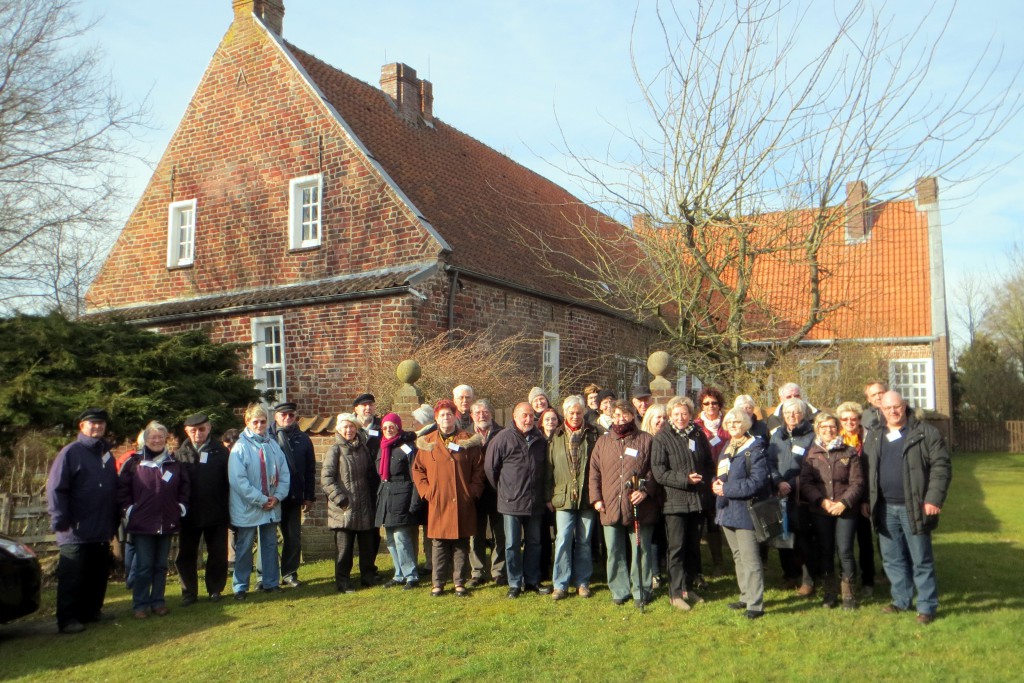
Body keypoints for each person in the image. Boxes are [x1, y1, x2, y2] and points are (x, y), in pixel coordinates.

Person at [863, 391, 951, 625]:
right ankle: (901, 600)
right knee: (892, 559)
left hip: (915, 506)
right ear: (881, 409)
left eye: (897, 407)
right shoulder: (874, 434)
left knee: (920, 558)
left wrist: (933, 498)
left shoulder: (925, 432)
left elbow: (941, 467)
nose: (893, 411)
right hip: (884, 507)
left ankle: (926, 606)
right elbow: (867, 470)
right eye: (888, 407)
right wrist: (866, 500)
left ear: (905, 406)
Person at [46, 408, 120, 634]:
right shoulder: (71, 452)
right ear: (82, 426)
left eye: (101, 423)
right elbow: (56, 488)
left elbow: (112, 488)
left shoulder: (106, 454)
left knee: (97, 573)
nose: (97, 427)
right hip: (75, 528)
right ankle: (67, 619)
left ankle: (91, 611)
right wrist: (60, 519)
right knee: (72, 575)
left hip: (100, 526)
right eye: (92, 423)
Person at [589, 400, 659, 608]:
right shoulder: (603, 442)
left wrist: (645, 491)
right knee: (614, 550)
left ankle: (641, 589)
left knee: (641, 549)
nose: (620, 419)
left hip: (639, 506)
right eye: (616, 415)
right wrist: (596, 498)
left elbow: (655, 470)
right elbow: (594, 472)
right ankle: (619, 589)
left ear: (632, 416)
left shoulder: (646, 440)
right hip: (610, 504)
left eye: (625, 415)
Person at [414, 400, 485, 597]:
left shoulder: (468, 440)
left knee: (462, 543)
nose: (446, 418)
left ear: (455, 417)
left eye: (449, 414)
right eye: (442, 415)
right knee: (439, 545)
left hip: (462, 501)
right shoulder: (427, 442)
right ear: (436, 418)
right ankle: (438, 583)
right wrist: (427, 492)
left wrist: (472, 492)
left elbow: (479, 470)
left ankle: (459, 583)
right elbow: (418, 470)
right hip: (439, 501)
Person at [118, 421, 189, 619]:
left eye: (160, 437)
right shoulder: (134, 463)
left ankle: (158, 601)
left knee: (160, 566)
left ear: (166, 439)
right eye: (152, 437)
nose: (156, 440)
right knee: (143, 566)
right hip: (142, 525)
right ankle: (140, 604)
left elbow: (184, 489)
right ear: (145, 440)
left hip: (167, 523)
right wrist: (130, 510)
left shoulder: (174, 464)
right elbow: (122, 491)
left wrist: (181, 507)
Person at [651, 397, 714, 611]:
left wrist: (704, 479)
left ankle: (689, 588)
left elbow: (708, 463)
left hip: (696, 500)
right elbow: (659, 472)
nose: (681, 418)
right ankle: (675, 593)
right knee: (676, 548)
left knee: (692, 547)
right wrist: (685, 479)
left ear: (690, 414)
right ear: (670, 416)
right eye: (676, 414)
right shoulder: (662, 438)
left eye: (684, 413)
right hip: (674, 502)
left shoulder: (698, 434)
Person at [486, 401, 552, 598]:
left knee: (534, 543)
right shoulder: (502, 438)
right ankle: (514, 583)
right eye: (524, 415)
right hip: (511, 502)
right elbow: (491, 469)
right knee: (512, 544)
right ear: (514, 417)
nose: (528, 419)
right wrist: (505, 490)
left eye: (531, 415)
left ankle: (532, 580)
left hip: (535, 502)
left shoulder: (540, 440)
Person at [800, 412, 864, 609]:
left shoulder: (849, 452)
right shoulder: (811, 454)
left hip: (846, 510)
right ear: (818, 429)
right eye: (824, 427)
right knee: (826, 551)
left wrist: (844, 503)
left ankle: (848, 593)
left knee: (845, 551)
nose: (828, 430)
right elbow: (806, 482)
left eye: (832, 427)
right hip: (821, 510)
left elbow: (858, 482)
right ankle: (830, 592)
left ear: (838, 429)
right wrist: (822, 501)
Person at [712, 408, 771, 620]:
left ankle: (755, 604)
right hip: (727, 510)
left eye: (737, 422)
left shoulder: (755, 448)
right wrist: (716, 483)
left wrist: (726, 489)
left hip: (746, 511)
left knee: (750, 558)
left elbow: (757, 482)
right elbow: (722, 474)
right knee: (738, 556)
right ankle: (745, 596)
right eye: (729, 423)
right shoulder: (728, 447)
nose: (733, 426)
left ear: (745, 424)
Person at [228, 403, 290, 599]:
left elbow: (285, 474)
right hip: (248, 507)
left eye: (263, 421)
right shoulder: (239, 448)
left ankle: (270, 582)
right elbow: (239, 481)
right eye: (255, 421)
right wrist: (260, 499)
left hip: (270, 506)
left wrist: (277, 497)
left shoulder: (272, 446)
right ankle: (240, 586)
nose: (260, 425)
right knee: (245, 547)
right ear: (247, 422)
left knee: (270, 545)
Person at [546, 395, 600, 600]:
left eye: (579, 412)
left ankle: (582, 582)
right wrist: (547, 497)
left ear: (584, 412)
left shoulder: (593, 434)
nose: (575, 416)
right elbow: (548, 469)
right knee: (562, 540)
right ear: (565, 413)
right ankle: (560, 584)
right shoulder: (556, 436)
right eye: (571, 413)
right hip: (563, 497)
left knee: (584, 541)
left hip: (587, 497)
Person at [175, 412, 231, 605]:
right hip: (189, 515)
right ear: (187, 431)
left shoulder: (221, 452)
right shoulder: (179, 454)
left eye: (202, 429)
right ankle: (189, 593)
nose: (198, 433)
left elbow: (228, 482)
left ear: (209, 428)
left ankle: (215, 589)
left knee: (217, 553)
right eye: (193, 430)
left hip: (216, 511)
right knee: (186, 555)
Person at [322, 413, 380, 593]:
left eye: (352, 427)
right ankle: (343, 582)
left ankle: (368, 576)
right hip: (344, 509)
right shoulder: (335, 450)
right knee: (344, 549)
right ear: (339, 429)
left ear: (356, 428)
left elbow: (371, 474)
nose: (349, 430)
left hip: (364, 505)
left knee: (367, 546)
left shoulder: (362, 448)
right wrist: (340, 499)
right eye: (345, 427)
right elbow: (326, 479)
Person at [767, 396, 816, 594]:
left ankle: (808, 580)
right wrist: (778, 481)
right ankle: (789, 575)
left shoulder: (810, 436)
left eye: (796, 412)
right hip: (780, 493)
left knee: (803, 538)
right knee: (782, 536)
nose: (792, 416)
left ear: (803, 414)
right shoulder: (777, 435)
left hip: (801, 495)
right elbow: (769, 462)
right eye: (788, 413)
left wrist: (794, 483)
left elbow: (813, 465)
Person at [270, 402, 316, 588]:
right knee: (267, 538)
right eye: (283, 415)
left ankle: (289, 573)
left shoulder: (303, 439)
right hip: (270, 498)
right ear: (276, 417)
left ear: (295, 416)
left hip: (293, 495)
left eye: (290, 415)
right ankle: (265, 576)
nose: (287, 418)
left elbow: (310, 470)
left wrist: (309, 496)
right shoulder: (267, 438)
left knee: (293, 537)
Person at [375, 413, 421, 589]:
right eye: (385, 427)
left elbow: (415, 476)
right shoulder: (382, 447)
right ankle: (398, 574)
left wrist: (414, 501)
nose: (388, 430)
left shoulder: (407, 447)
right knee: (390, 539)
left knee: (401, 537)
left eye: (392, 426)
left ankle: (411, 575)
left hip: (402, 497)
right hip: (385, 496)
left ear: (398, 427)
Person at [837, 400, 876, 597]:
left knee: (864, 540)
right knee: (843, 543)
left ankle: (868, 580)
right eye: (845, 419)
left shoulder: (869, 438)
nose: (850, 422)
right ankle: (846, 580)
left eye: (854, 418)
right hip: (843, 498)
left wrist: (867, 499)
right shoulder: (836, 439)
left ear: (860, 420)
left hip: (863, 497)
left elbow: (872, 471)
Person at [467, 398, 506, 587]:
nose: (482, 415)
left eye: (485, 412)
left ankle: (498, 571)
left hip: (497, 491)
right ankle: (477, 572)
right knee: (476, 534)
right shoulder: (465, 435)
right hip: (475, 493)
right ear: (472, 415)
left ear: (491, 414)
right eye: (478, 412)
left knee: (500, 534)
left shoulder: (503, 433)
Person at [694, 387, 729, 579]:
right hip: (704, 478)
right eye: (706, 403)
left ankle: (719, 563)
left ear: (719, 404)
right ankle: (698, 567)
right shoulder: (696, 425)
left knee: (717, 522)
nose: (710, 407)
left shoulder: (728, 424)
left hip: (725, 478)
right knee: (703, 521)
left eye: (714, 403)